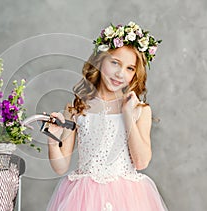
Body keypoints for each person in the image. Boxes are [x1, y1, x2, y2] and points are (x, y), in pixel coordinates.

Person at [46, 22, 168, 211]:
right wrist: (53, 140)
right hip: (83, 197)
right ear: (100, 60)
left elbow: (141, 162)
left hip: (127, 198)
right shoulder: (77, 108)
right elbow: (61, 167)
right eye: (115, 63)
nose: (120, 73)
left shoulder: (140, 110)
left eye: (130, 68)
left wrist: (127, 114)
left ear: (136, 74)